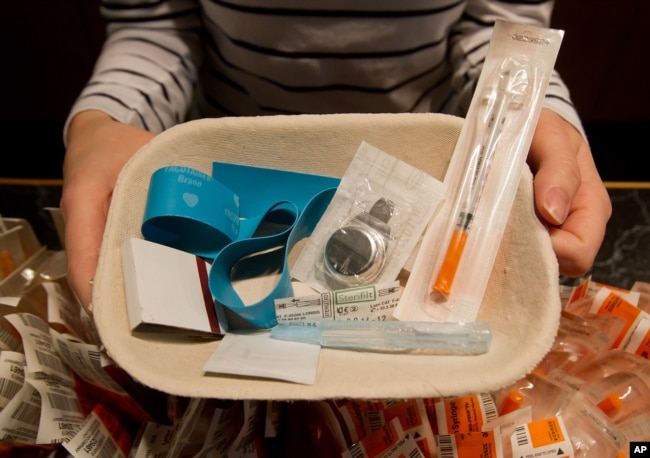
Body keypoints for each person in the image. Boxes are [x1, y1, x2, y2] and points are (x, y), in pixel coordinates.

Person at [60, 0, 612, 312]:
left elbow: (502, 31)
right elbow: (156, 23)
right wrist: (103, 123)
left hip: (430, 173)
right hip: (236, 166)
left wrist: (531, 116)